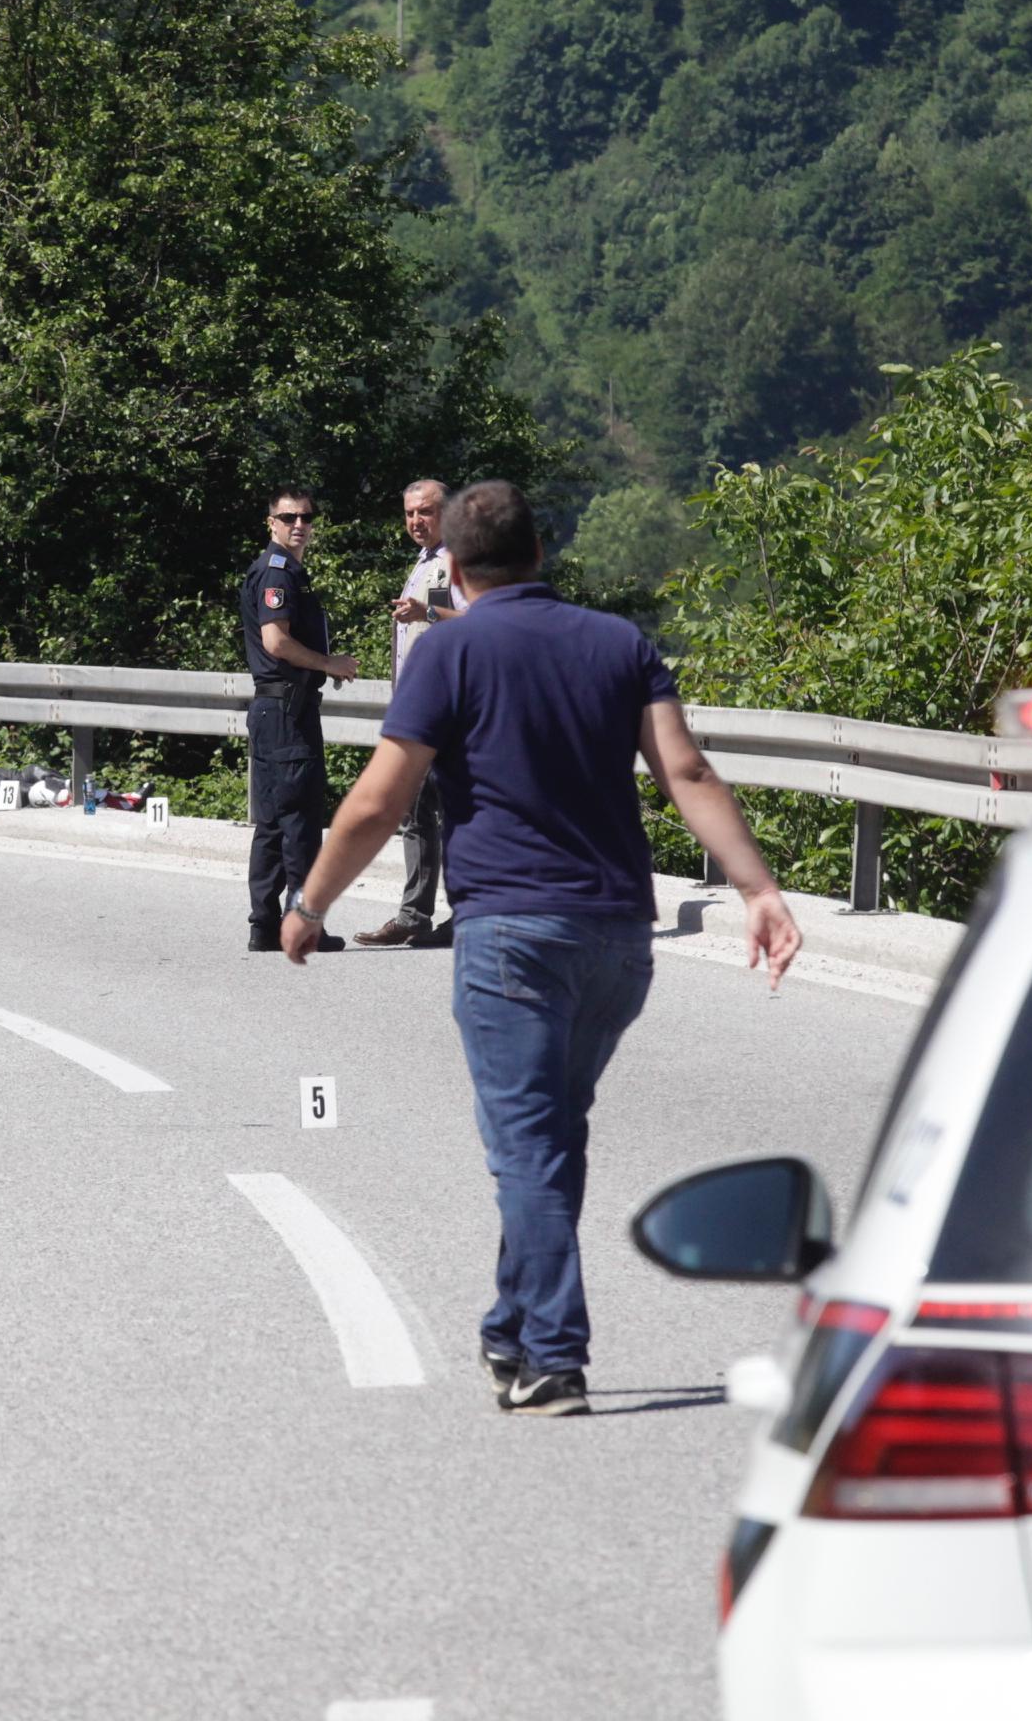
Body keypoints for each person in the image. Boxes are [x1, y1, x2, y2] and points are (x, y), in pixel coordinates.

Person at [281, 480, 803, 1417]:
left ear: (451, 564)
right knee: (552, 1135)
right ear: (540, 552)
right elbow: (684, 769)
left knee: (527, 1145)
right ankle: (509, 1331)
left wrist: (311, 902)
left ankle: (553, 1355)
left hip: (512, 934)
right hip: (615, 938)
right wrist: (758, 889)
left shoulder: (449, 650)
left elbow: (378, 802)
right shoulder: (620, 644)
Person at [240, 484, 357, 954]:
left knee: (272, 820)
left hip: (275, 708)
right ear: (271, 522)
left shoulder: (284, 571)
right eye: (289, 517)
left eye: (307, 517)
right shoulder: (278, 573)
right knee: (299, 821)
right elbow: (276, 642)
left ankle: (263, 925)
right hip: (287, 710)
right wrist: (330, 663)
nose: (299, 525)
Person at [354, 479, 464, 949]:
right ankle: (414, 915)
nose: (416, 521)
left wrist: (428, 614)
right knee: (416, 813)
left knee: (459, 815)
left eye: (425, 511)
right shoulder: (423, 563)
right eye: (409, 514)